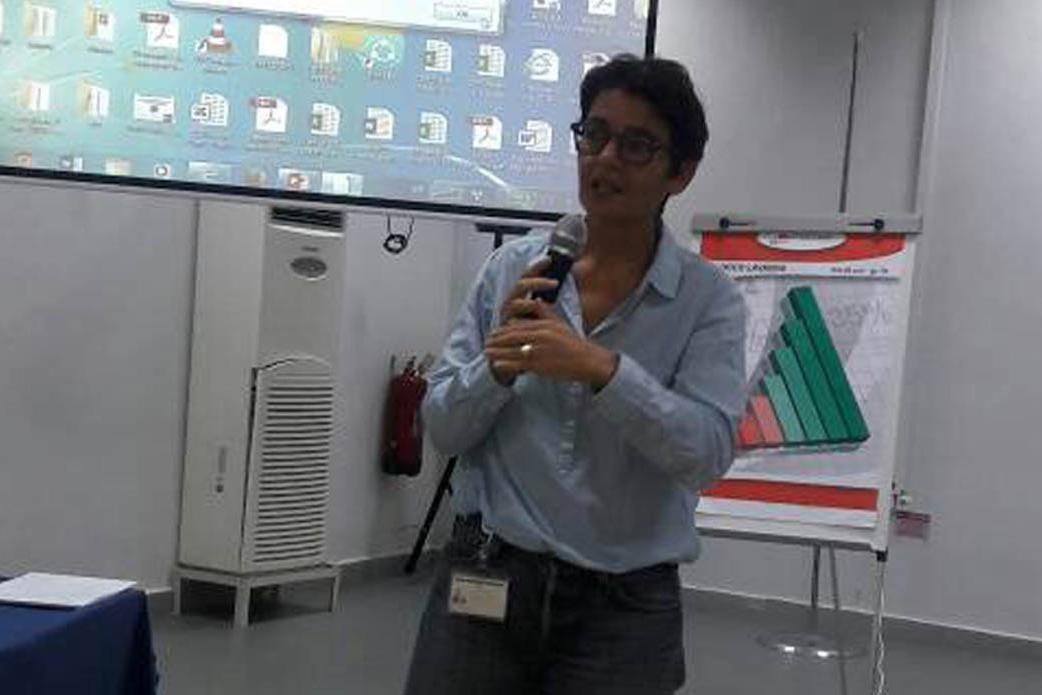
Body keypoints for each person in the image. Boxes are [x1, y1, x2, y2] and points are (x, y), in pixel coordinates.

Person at [404, 54, 747, 695]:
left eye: (636, 145)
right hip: (488, 576)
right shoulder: (512, 271)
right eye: (594, 134)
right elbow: (443, 429)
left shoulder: (709, 301)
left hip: (624, 608)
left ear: (680, 172)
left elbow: (706, 453)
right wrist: (496, 368)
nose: (605, 158)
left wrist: (602, 370)